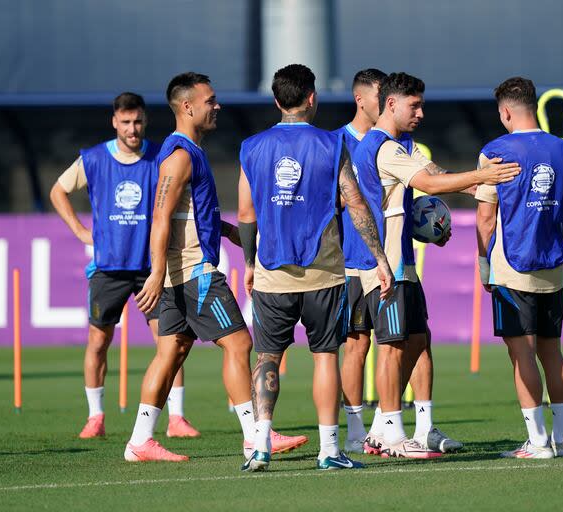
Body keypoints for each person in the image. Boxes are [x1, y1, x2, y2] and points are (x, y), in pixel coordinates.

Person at [123, 72, 306, 462]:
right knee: (239, 343)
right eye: (210, 100)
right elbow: (159, 219)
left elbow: (184, 215)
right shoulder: (180, 156)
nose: (217, 106)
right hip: (194, 273)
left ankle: (140, 441)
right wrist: (156, 273)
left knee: (170, 352)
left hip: (181, 273)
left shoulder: (188, 152)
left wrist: (225, 231)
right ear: (188, 107)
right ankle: (254, 436)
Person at [352, 72, 521, 458]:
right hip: (385, 267)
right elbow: (428, 186)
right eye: (415, 105)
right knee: (392, 347)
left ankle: (388, 425)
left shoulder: (401, 144)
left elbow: (435, 173)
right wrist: (483, 174)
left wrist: (474, 186)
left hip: (402, 264)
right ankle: (391, 433)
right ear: (391, 104)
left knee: (417, 342)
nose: (422, 113)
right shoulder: (381, 148)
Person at [237, 63, 393, 472]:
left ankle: (261, 444)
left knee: (266, 357)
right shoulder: (331, 143)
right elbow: (355, 203)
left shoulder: (251, 147)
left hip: (272, 271)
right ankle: (328, 450)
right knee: (325, 356)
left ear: (276, 100)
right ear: (311, 97)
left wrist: (249, 263)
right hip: (324, 272)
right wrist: (380, 258)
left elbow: (246, 212)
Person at [50, 92, 199, 440]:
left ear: (145, 121)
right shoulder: (95, 159)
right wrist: (79, 230)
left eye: (138, 122)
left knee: (169, 342)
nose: (132, 129)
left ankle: (176, 418)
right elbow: (58, 191)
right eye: (126, 122)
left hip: (151, 267)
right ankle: (95, 417)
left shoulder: (160, 157)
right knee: (98, 342)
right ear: (115, 122)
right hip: (109, 267)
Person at [475, 77, 563, 459]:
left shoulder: (496, 151)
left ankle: (537, 442)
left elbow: (486, 219)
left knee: (522, 354)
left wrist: (484, 265)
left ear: (505, 111)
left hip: (512, 267)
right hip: (552, 265)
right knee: (553, 352)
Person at [333, 68, 386, 454]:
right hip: (351, 262)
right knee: (357, 345)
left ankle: (392, 426)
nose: (386, 103)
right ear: (360, 99)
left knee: (402, 344)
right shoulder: (336, 143)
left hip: (394, 261)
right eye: (379, 95)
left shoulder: (393, 142)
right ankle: (354, 430)